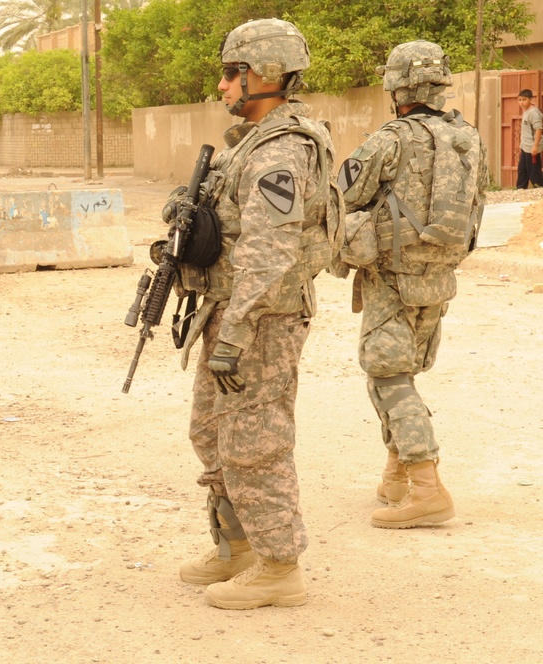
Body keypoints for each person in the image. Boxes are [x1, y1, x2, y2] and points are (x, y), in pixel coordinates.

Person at [171, 18, 342, 609]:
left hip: (262, 321)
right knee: (211, 431)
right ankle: (237, 547)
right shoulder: (250, 144)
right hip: (230, 311)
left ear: (264, 74)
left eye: (230, 73)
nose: (222, 86)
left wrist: (236, 333)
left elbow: (272, 252)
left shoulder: (283, 151)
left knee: (255, 441)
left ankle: (279, 566)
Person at [337, 40, 487, 529]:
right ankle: (396, 475)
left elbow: (341, 194)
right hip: (438, 279)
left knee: (387, 375)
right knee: (401, 371)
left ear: (396, 86)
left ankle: (426, 486)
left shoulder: (391, 139)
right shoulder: (469, 139)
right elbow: (477, 209)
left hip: (392, 278)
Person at [516, 89, 543, 189]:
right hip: (525, 147)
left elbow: (539, 128)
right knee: (522, 170)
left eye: (524, 100)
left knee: (534, 173)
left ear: (531, 99)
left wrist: (535, 146)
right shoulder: (527, 111)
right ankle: (520, 189)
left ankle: (540, 189)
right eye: (519, 100)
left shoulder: (533, 113)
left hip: (532, 147)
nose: (521, 102)